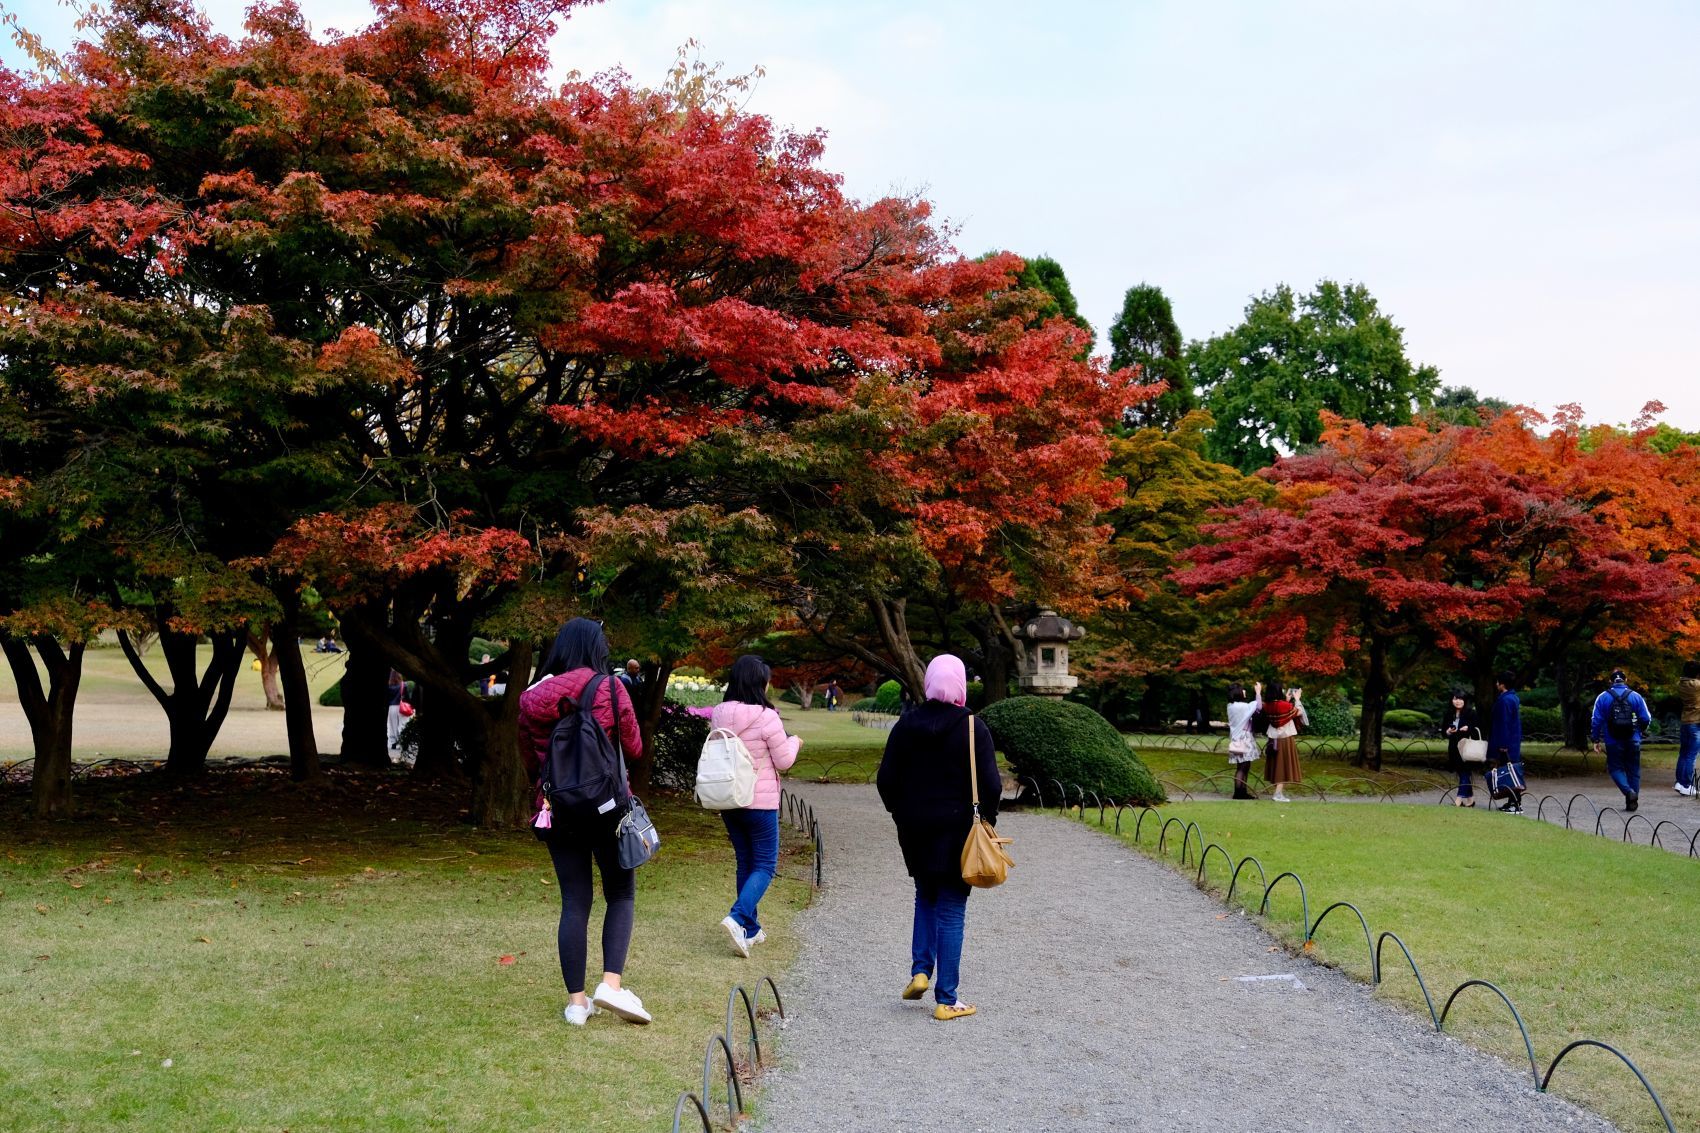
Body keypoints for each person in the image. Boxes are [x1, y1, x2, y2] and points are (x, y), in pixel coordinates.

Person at [518, 618, 650, 1027]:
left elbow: (528, 756)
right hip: (608, 807)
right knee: (620, 893)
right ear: (596, 648)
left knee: (574, 901)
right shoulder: (610, 688)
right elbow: (634, 746)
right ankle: (610, 984)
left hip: (558, 810)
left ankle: (577, 1004)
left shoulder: (531, 697)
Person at [875, 656, 999, 1022]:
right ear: (960, 684)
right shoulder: (973, 727)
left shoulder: (906, 725)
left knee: (925, 896)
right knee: (952, 908)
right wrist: (987, 821)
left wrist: (899, 812)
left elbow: (886, 780)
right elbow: (991, 784)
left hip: (914, 829)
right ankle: (947, 998)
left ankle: (919, 971)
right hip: (959, 830)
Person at [709, 655, 801, 957]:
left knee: (745, 862)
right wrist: (796, 741)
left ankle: (751, 928)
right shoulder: (767, 716)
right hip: (759, 802)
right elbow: (784, 761)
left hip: (728, 799)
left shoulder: (719, 713)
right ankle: (737, 917)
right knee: (765, 866)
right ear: (758, 682)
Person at [1590, 668, 1653, 812]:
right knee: (1634, 770)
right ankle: (1632, 800)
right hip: (1633, 738)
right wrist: (1640, 730)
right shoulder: (1636, 696)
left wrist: (1595, 739)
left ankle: (1628, 792)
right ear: (1626, 680)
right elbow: (1646, 718)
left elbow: (1596, 720)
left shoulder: (1603, 697)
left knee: (1615, 768)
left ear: (1610, 681)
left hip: (1612, 739)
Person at [1262, 682, 1306, 803]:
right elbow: (1299, 712)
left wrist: (1287, 700)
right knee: (1284, 766)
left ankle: (1278, 792)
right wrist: (1297, 699)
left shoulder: (1267, 705)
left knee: (1277, 766)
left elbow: (1278, 709)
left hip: (1273, 739)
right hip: (1285, 738)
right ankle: (1277, 794)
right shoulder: (1284, 705)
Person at [1489, 671, 1526, 814]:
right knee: (1511, 772)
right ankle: (1512, 802)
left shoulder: (1505, 700)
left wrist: (1503, 745)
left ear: (1502, 684)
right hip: (1513, 742)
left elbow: (1504, 724)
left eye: (1498, 681)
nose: (1496, 684)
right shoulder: (1512, 698)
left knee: (1510, 774)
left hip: (1507, 744)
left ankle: (1516, 804)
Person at [1443, 689, 1481, 807]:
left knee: (1465, 772)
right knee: (1462, 773)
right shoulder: (1449, 713)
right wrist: (1448, 731)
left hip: (1467, 747)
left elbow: (1478, 729)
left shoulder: (1471, 713)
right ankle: (1470, 800)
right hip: (1454, 748)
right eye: (1455, 699)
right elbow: (1444, 732)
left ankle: (1458, 800)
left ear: (1464, 701)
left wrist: (1468, 728)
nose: (1458, 701)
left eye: (1460, 699)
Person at [1225, 682, 1260, 800]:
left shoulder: (1231, 706)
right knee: (1243, 767)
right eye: (1242, 690)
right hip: (1244, 738)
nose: (1244, 691)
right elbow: (1258, 706)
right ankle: (1239, 793)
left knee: (1243, 766)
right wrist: (1258, 693)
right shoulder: (1242, 707)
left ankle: (1242, 791)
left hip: (1236, 738)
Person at [1678, 661, 1700, 797]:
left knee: (1684, 753)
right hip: (1695, 723)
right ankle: (1686, 785)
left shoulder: (1680, 684)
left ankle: (1680, 783)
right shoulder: (1697, 685)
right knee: (1691, 755)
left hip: (1685, 721)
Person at [386, 670, 405, 751]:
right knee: (401, 725)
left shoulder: (388, 686)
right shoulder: (403, 685)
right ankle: (401, 743)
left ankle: (393, 744)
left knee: (392, 726)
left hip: (391, 707)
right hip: (401, 707)